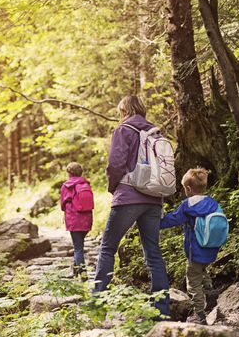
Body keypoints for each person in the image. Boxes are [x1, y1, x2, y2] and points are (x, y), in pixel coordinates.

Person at [93, 95, 170, 317]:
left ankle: (98, 305)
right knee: (153, 253)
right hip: (154, 198)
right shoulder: (156, 132)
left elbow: (115, 164)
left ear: (124, 110)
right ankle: (161, 309)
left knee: (108, 247)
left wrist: (113, 187)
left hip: (129, 196)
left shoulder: (123, 129)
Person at [160, 168, 220, 324]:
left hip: (195, 251)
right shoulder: (212, 203)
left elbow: (172, 219)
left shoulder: (187, 206)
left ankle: (200, 315)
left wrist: (156, 221)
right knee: (202, 270)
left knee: (193, 282)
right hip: (211, 249)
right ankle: (210, 291)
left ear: (188, 188)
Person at [60, 162, 93, 278]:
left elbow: (62, 205)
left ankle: (83, 274)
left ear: (69, 173)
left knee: (78, 248)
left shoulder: (66, 186)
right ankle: (75, 272)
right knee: (79, 245)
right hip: (87, 220)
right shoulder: (86, 184)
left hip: (74, 220)